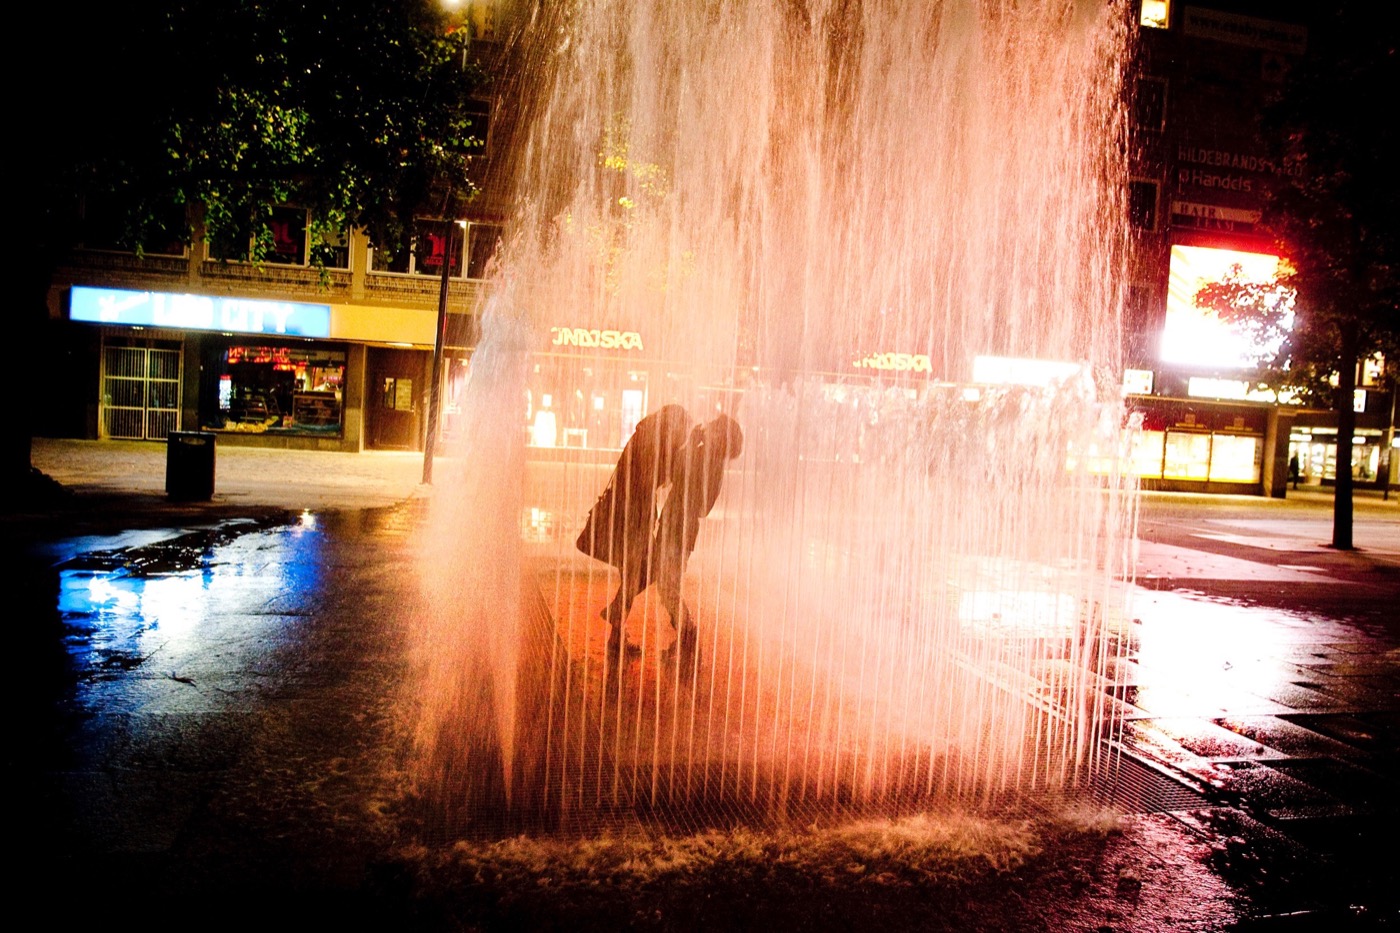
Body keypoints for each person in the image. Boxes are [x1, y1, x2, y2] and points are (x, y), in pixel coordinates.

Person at [576, 404, 694, 663]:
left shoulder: (646, 434)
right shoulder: (652, 443)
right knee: (647, 570)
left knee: (634, 571)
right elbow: (653, 479)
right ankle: (617, 617)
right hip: (634, 516)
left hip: (630, 513)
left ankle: (617, 632)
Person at [652, 413, 744, 663]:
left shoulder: (706, 458)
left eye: (715, 426)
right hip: (682, 527)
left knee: (667, 586)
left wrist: (691, 443)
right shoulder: (713, 463)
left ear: (720, 437)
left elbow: (677, 471)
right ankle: (685, 636)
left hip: (677, 527)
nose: (709, 425)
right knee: (666, 583)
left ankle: (687, 635)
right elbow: (703, 506)